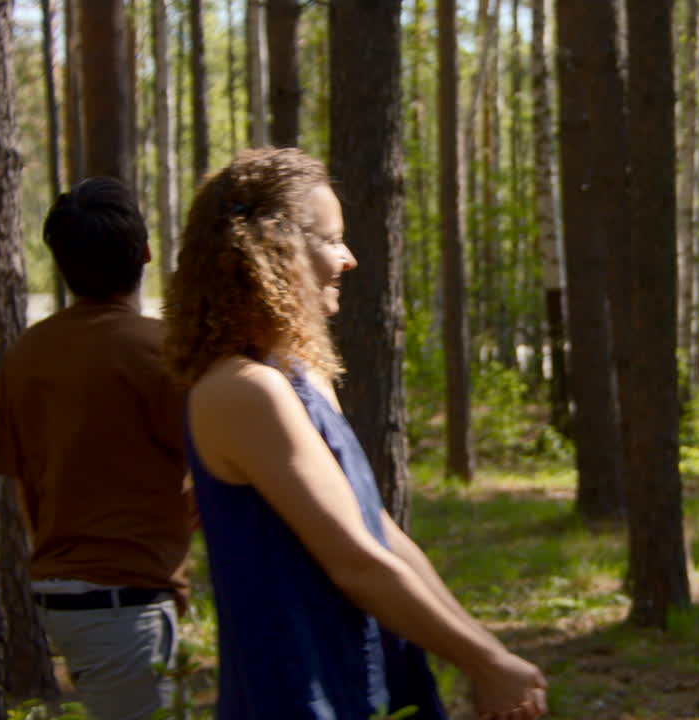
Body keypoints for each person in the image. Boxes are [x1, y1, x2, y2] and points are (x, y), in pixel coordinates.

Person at [164, 147, 548, 720]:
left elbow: (381, 532)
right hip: (300, 692)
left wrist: (486, 652)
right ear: (271, 249)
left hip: (365, 673)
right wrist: (484, 662)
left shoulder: (300, 373)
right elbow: (355, 561)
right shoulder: (244, 389)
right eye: (331, 239)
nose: (348, 259)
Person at [0, 177, 193, 720]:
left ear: (62, 264)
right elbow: (214, 470)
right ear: (146, 253)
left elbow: (23, 490)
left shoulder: (25, 354)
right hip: (123, 606)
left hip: (63, 598)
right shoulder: (162, 352)